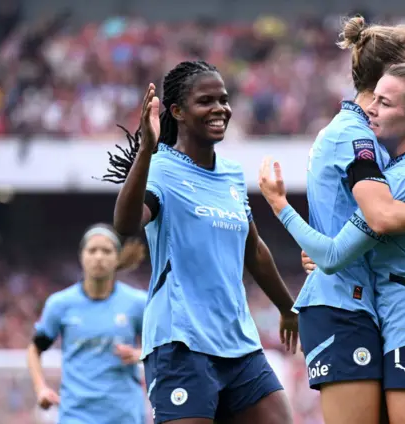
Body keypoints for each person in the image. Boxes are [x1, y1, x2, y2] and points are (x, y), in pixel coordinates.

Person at [267, 16, 405, 424]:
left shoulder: (382, 141)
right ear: (386, 78)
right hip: (341, 302)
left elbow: (392, 208)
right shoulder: (355, 136)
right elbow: (379, 217)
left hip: (366, 302)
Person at [101, 60, 296, 424]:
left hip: (239, 344)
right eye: (206, 101)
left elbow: (253, 249)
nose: (220, 108)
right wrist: (146, 149)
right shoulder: (160, 168)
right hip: (181, 343)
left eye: (223, 99)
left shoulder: (232, 174)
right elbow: (125, 225)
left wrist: (288, 309)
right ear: (178, 111)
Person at [27, 224, 148, 424]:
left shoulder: (137, 303)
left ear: (117, 257)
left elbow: (162, 347)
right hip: (76, 415)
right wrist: (41, 389)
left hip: (124, 415)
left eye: (106, 251)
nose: (98, 257)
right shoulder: (60, 304)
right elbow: (34, 349)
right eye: (92, 250)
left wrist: (139, 354)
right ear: (81, 256)